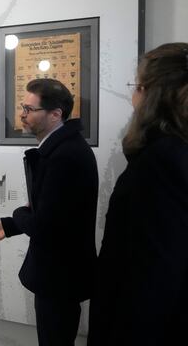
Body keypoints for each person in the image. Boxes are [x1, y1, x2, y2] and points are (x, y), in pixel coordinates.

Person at [0, 78, 98, 346]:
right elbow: (54, 215)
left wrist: (18, 215)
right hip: (59, 273)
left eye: (29, 109)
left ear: (56, 114)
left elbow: (44, 224)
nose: (22, 114)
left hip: (59, 276)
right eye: (23, 107)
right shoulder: (64, 149)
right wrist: (12, 225)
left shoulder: (65, 156)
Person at [88, 43, 188, 345]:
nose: (133, 98)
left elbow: (149, 280)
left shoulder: (159, 165)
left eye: (137, 86)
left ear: (152, 96)